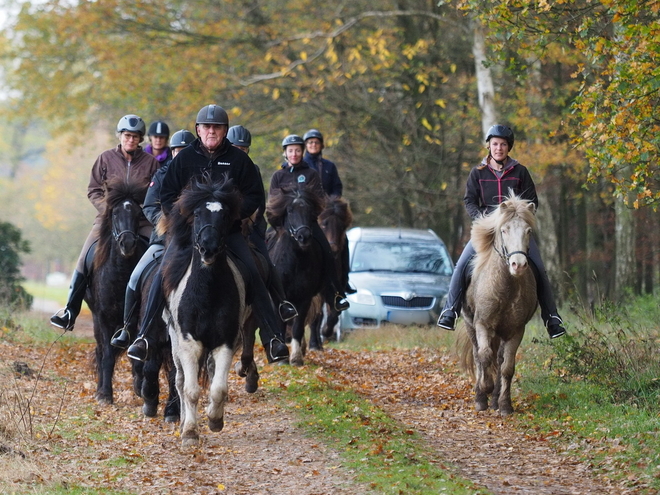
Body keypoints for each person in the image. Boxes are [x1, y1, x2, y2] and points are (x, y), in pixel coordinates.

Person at [126, 105, 290, 363]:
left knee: (255, 271)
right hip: (189, 234)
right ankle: (143, 336)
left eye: (217, 127)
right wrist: (185, 219)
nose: (211, 131)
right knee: (162, 272)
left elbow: (255, 196)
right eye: (207, 127)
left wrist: (232, 215)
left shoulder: (239, 161)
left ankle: (273, 338)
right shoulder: (184, 159)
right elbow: (167, 195)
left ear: (224, 131)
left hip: (229, 232)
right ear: (198, 130)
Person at [436, 124, 566, 339]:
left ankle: (551, 317)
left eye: (503, 144)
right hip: (487, 230)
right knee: (461, 265)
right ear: (489, 146)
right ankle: (450, 310)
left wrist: (520, 215)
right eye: (495, 144)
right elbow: (469, 200)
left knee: (539, 268)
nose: (499, 148)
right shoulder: (477, 173)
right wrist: (482, 219)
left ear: (509, 147)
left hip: (515, 230)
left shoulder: (520, 171)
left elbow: (532, 200)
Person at [50, 115, 159, 331]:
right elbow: (93, 190)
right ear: (120, 136)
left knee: (158, 256)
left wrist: (143, 211)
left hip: (141, 221)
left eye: (135, 137)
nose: (131, 140)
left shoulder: (151, 163)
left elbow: (156, 193)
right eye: (127, 135)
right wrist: (108, 210)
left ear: (140, 140)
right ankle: (70, 310)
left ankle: (161, 311)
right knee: (85, 257)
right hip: (108, 220)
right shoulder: (105, 159)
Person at [110, 129, 196, 348]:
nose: (181, 154)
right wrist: (167, 223)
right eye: (178, 150)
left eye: (186, 151)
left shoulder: (202, 174)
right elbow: (149, 206)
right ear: (172, 152)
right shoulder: (161, 174)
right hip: (165, 238)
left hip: (199, 239)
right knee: (136, 277)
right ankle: (130, 329)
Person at [269, 134, 349, 312]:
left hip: (307, 223)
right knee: (264, 246)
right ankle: (265, 292)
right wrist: (279, 223)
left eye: (297, 150)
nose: (294, 154)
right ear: (285, 153)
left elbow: (320, 200)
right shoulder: (278, 176)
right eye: (291, 151)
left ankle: (335, 294)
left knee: (328, 251)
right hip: (283, 225)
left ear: (302, 152)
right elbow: (272, 203)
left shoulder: (311, 174)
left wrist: (309, 216)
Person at [226, 124, 297, 323]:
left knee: (266, 263)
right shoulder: (221, 167)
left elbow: (258, 201)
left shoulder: (253, 169)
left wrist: (252, 223)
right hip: (224, 226)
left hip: (250, 225)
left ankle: (281, 303)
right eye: (236, 148)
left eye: (244, 149)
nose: (240, 153)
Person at [302, 128, 354, 295]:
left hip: (328, 211)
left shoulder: (329, 166)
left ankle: (344, 279)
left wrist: (332, 201)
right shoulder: (301, 166)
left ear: (321, 145)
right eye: (310, 142)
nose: (313, 145)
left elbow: (337, 186)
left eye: (316, 142)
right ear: (305, 146)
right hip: (309, 212)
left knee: (343, 240)